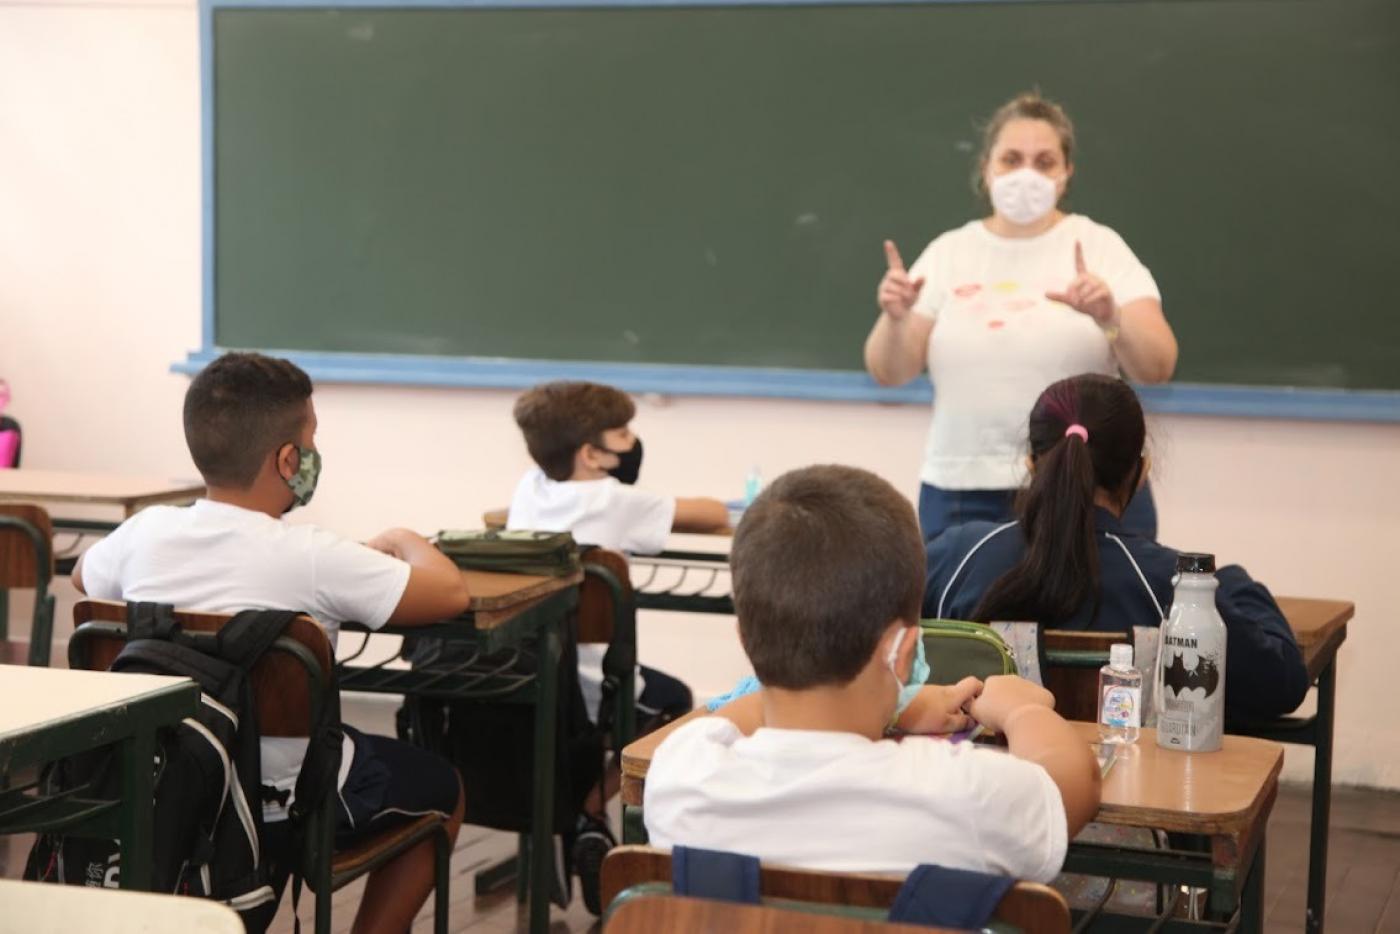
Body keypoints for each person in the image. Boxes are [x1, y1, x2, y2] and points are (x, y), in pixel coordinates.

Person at [73, 352, 470, 934]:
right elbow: (450, 591)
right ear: (289, 459)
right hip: (282, 800)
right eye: (311, 439)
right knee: (443, 787)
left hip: (152, 780)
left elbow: (86, 580)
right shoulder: (311, 555)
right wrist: (402, 538)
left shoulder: (143, 533)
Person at [644, 465, 1100, 881]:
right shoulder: (965, 795)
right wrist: (1021, 710)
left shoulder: (680, 776)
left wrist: (897, 708)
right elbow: (1075, 784)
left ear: (745, 638)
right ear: (902, 654)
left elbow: (725, 723)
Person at [863, 92, 1178, 543]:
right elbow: (889, 372)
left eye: (1044, 161)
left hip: (1088, 488)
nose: (1026, 174)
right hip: (961, 490)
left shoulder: (1101, 246)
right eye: (1012, 159)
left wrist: (1112, 318)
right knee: (959, 614)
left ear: (1066, 173)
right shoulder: (950, 252)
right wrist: (894, 319)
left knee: (1097, 615)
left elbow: (1158, 366)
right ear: (986, 168)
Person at [925, 373, 1309, 723]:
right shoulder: (1173, 588)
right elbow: (1282, 683)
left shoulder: (954, 557)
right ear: (1140, 473)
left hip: (981, 790)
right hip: (1135, 793)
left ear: (1031, 465)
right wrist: (1230, 582)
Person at [507, 379, 727, 909]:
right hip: (590, 686)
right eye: (624, 433)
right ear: (590, 454)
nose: (632, 443)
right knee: (672, 701)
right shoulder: (616, 500)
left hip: (523, 673)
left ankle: (571, 814)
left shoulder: (529, 486)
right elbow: (714, 516)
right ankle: (588, 808)